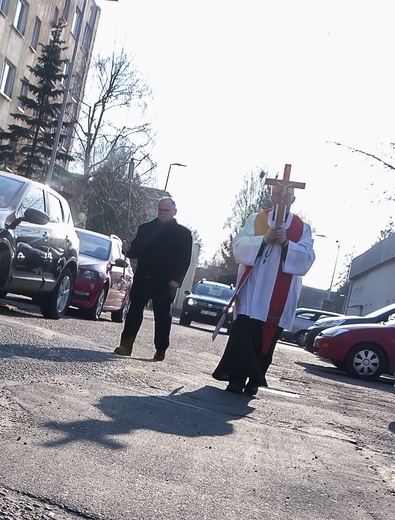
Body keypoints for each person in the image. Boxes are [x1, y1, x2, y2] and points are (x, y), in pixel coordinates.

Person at [212, 185, 315, 395]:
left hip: (280, 296)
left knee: (266, 338)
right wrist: (264, 240)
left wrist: (286, 243)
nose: (281, 199)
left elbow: (307, 258)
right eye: (277, 194)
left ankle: (254, 381)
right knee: (244, 334)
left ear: (293, 199)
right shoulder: (257, 219)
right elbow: (239, 246)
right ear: (271, 197)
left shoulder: (301, 228)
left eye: (286, 196)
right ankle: (236, 378)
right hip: (252, 291)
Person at [114, 197, 192, 361]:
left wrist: (177, 279)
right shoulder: (145, 228)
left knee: (163, 317)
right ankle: (126, 345)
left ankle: (161, 349)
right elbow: (135, 251)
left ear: (174, 212)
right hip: (144, 277)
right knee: (134, 312)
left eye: (166, 211)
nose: (162, 213)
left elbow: (185, 259)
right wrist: (127, 248)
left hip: (166, 280)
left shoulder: (183, 234)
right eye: (160, 210)